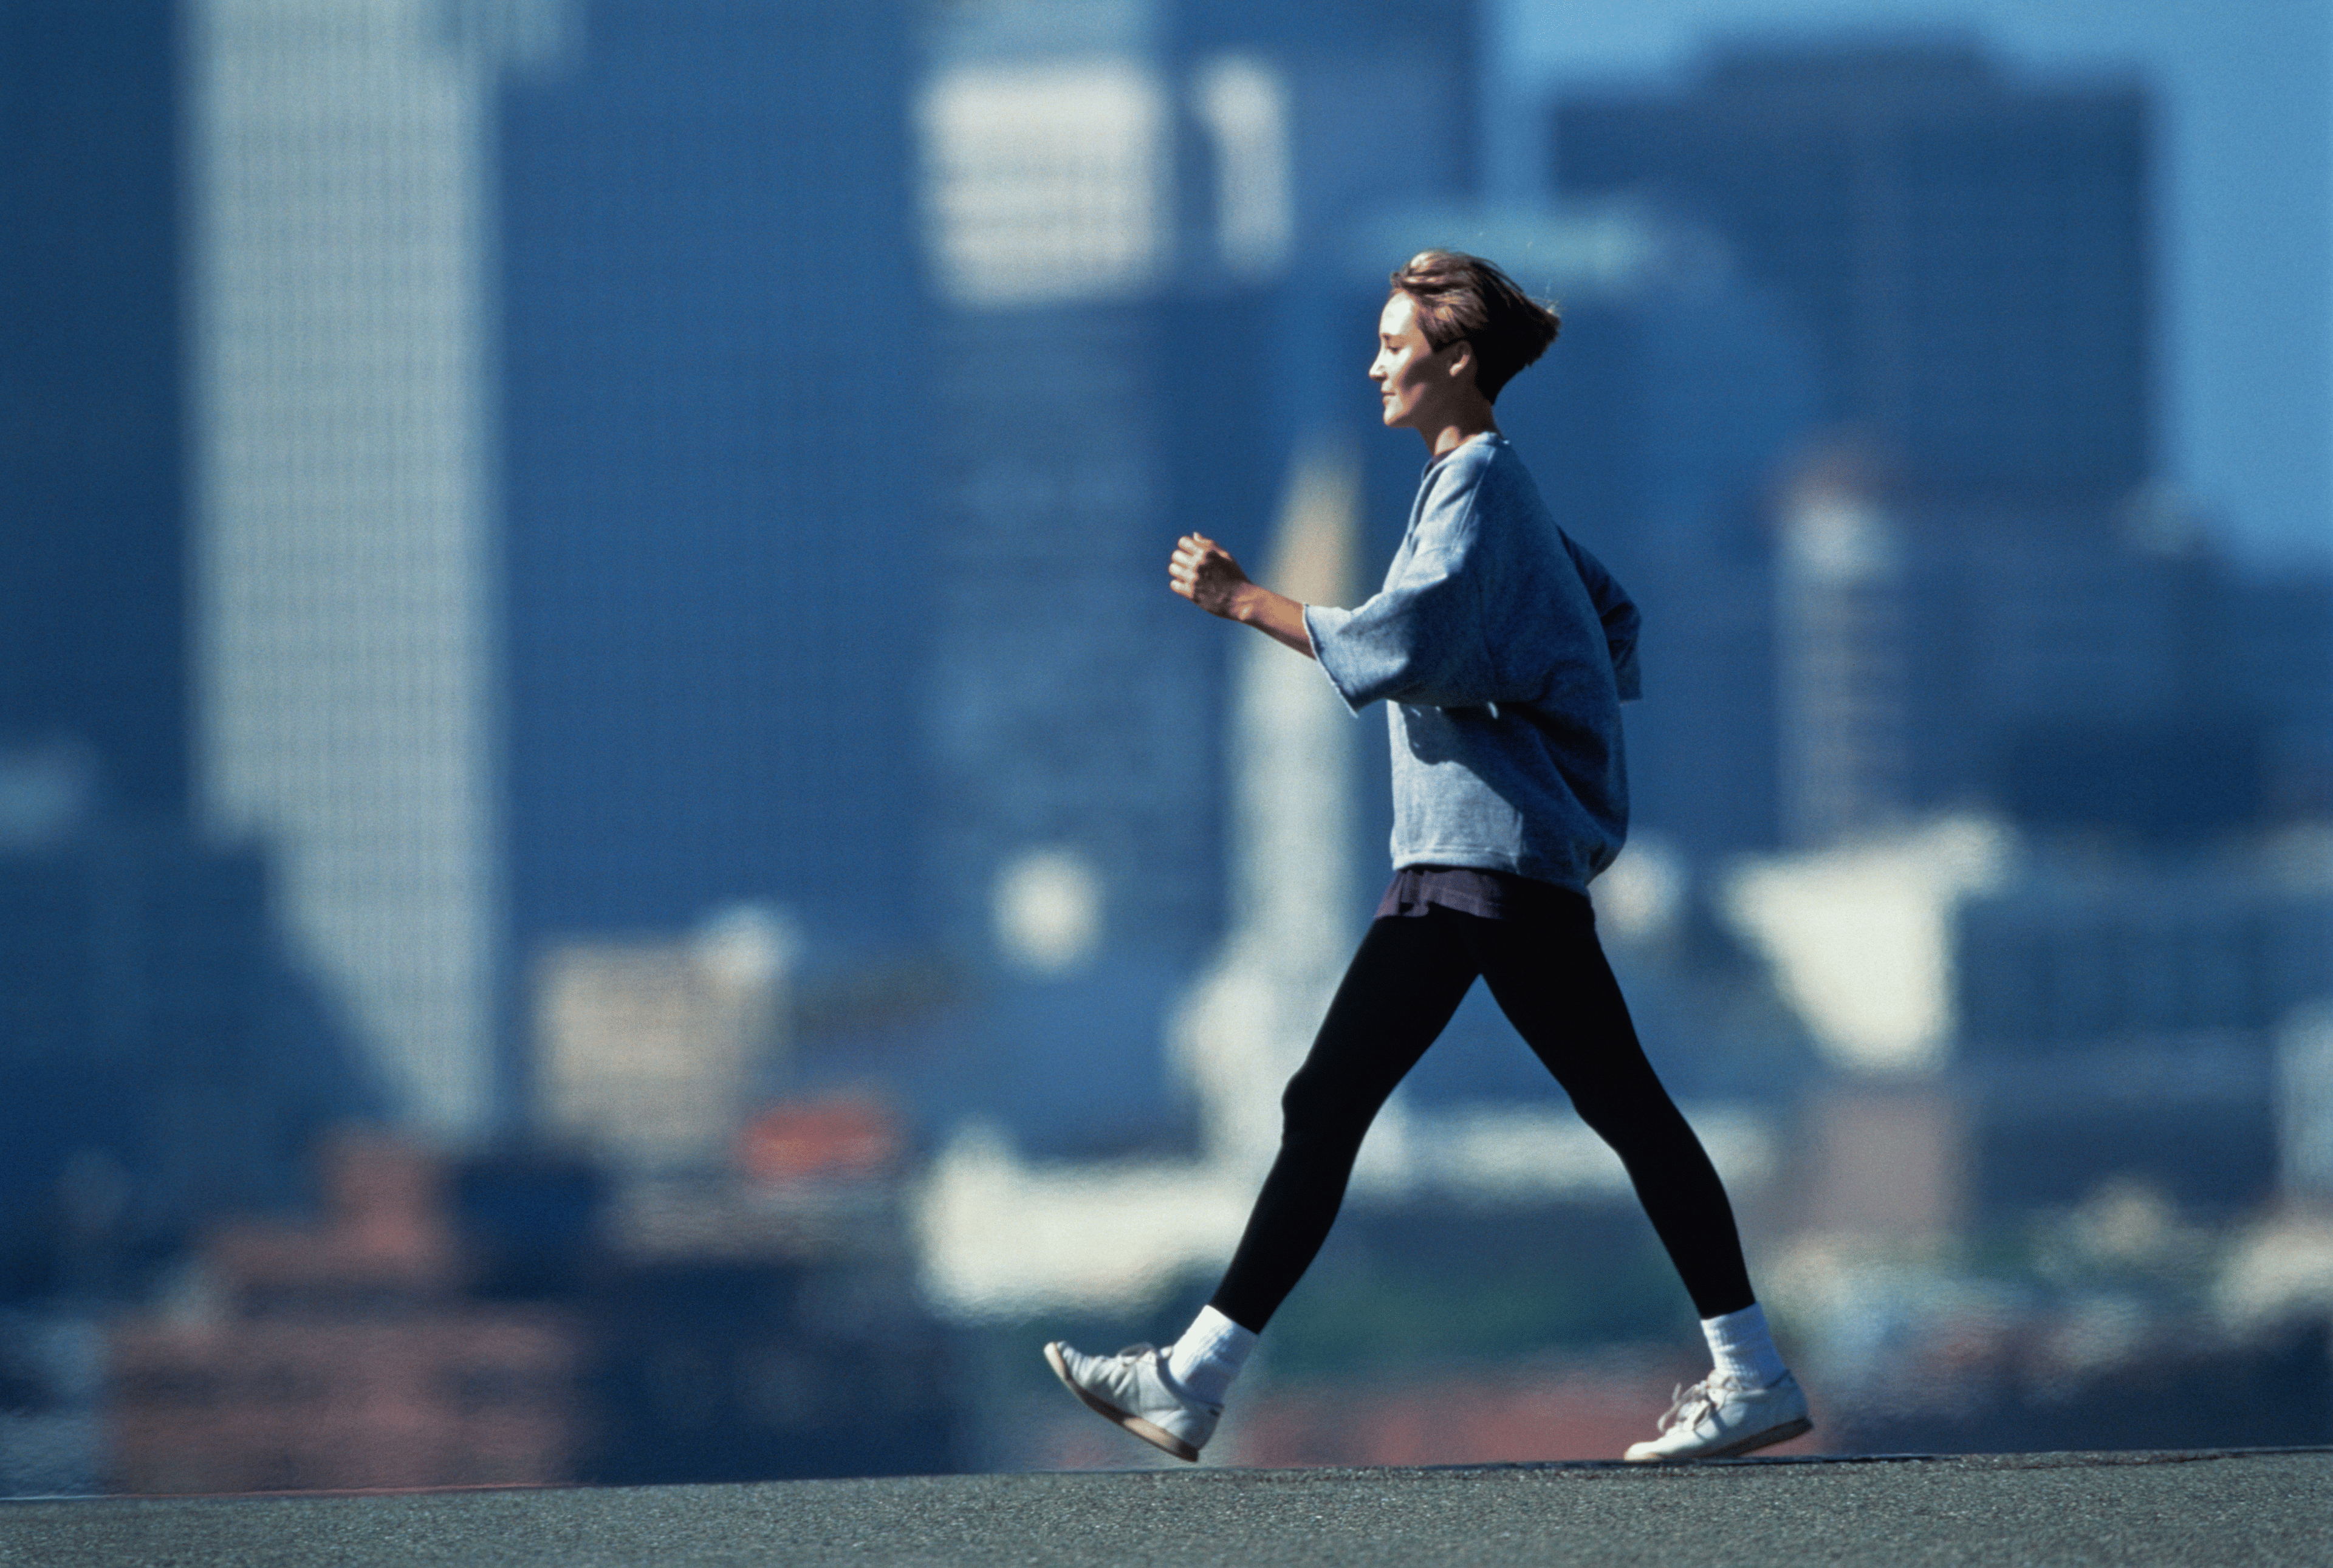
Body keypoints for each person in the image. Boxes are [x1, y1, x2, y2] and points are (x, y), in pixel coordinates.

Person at [1044, 250, 1812, 1464]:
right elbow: (1603, 617)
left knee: (1390, 1104)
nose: (1376, 365)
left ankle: (1193, 1378)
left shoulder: (1479, 490)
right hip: (1483, 858)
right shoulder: (1480, 487)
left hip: (1480, 863)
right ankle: (1195, 1375)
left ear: (1456, 359)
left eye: (1397, 346)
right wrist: (1549, 708)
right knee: (1550, 1107)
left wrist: (1245, 600)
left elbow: (1412, 637)